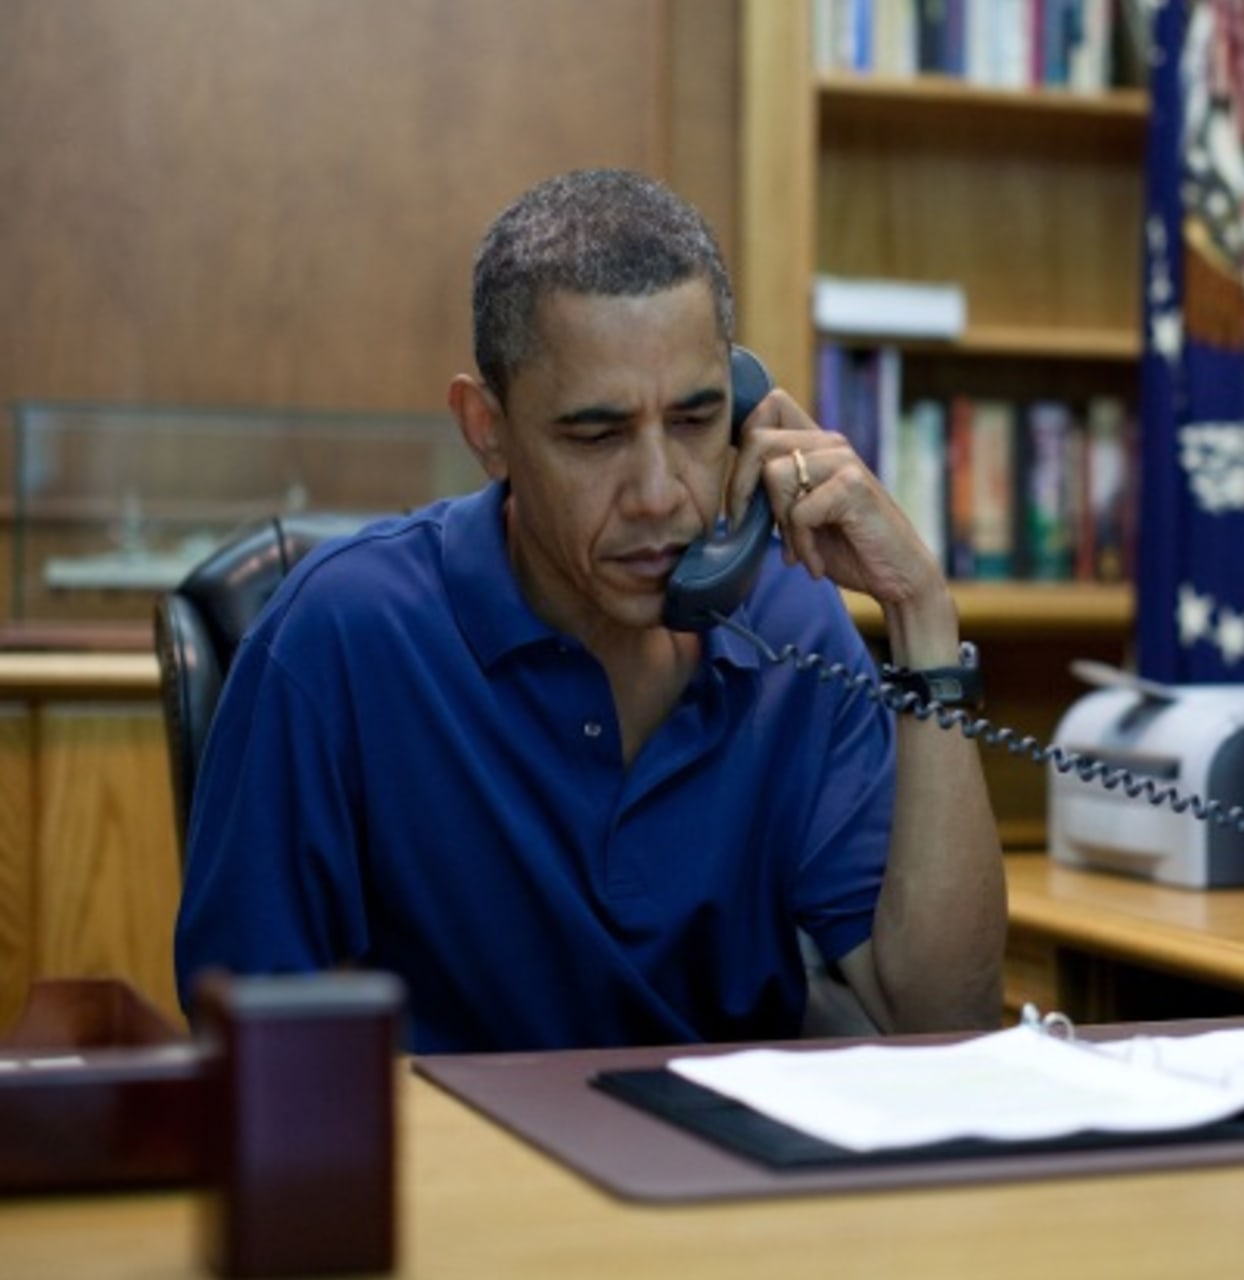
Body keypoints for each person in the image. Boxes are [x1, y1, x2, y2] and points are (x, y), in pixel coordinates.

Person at [173, 169, 1008, 1052]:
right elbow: (253, 1048)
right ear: (487, 429)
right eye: (596, 436)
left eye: (694, 422)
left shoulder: (794, 628)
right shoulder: (339, 635)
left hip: (730, 1171)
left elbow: (943, 1026)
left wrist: (921, 611)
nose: (659, 495)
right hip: (457, 1179)